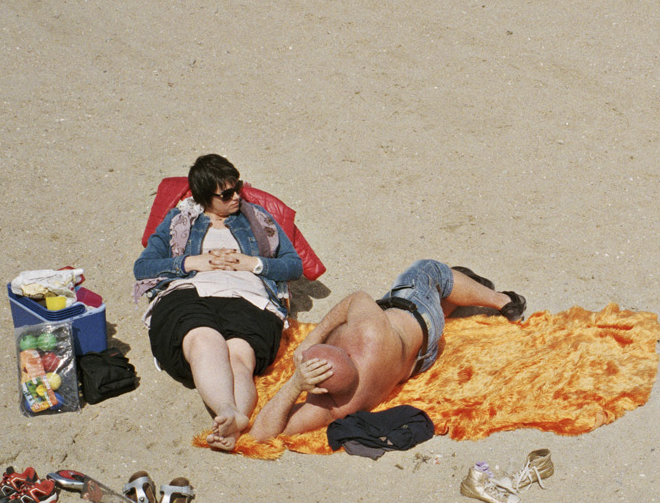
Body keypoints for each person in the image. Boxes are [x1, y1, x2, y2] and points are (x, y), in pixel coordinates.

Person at [133, 154, 304, 450]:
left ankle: (237, 418)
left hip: (249, 296)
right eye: (226, 194)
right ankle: (228, 411)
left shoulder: (258, 219)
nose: (236, 196)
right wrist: (191, 261)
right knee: (204, 339)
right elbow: (143, 267)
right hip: (191, 291)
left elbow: (294, 266)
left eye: (236, 187)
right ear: (204, 197)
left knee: (240, 355)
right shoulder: (180, 220)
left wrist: (253, 263)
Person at [248, 262, 524, 442]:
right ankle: (506, 301)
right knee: (429, 271)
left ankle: (459, 290)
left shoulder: (335, 407)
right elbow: (356, 298)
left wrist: (297, 384)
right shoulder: (366, 332)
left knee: (427, 299)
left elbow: (261, 435)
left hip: (419, 360)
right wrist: (311, 340)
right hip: (421, 318)